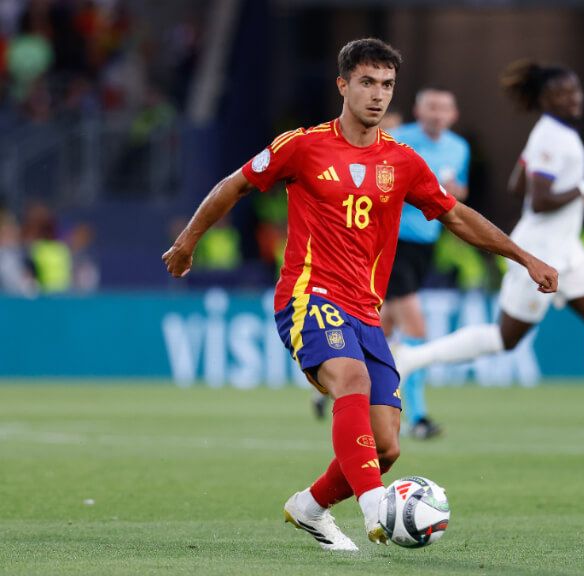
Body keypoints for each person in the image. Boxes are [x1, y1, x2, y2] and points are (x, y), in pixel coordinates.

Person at [162, 38, 558, 552]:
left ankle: (309, 508)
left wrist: (525, 257)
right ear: (343, 85)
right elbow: (235, 185)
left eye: (387, 85)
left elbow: (456, 216)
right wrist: (186, 242)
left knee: (387, 445)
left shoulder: (403, 162)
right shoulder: (301, 146)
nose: (377, 95)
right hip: (308, 295)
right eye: (367, 82)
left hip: (364, 310)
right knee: (350, 378)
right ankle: (377, 507)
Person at [393, 60, 584, 450]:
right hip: (540, 252)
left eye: (576, 91)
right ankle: (409, 360)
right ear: (545, 99)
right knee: (504, 339)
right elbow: (537, 200)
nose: (575, 99)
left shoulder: (549, 134)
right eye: (564, 93)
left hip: (567, 249)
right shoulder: (553, 136)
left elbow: (516, 181)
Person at [382, 87, 470, 439]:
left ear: (453, 115)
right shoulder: (398, 140)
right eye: (431, 107)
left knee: (383, 328)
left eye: (444, 108)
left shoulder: (459, 147)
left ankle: (333, 387)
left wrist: (450, 190)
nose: (437, 114)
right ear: (418, 111)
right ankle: (418, 417)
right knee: (416, 329)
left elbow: (458, 193)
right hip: (392, 242)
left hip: (425, 245)